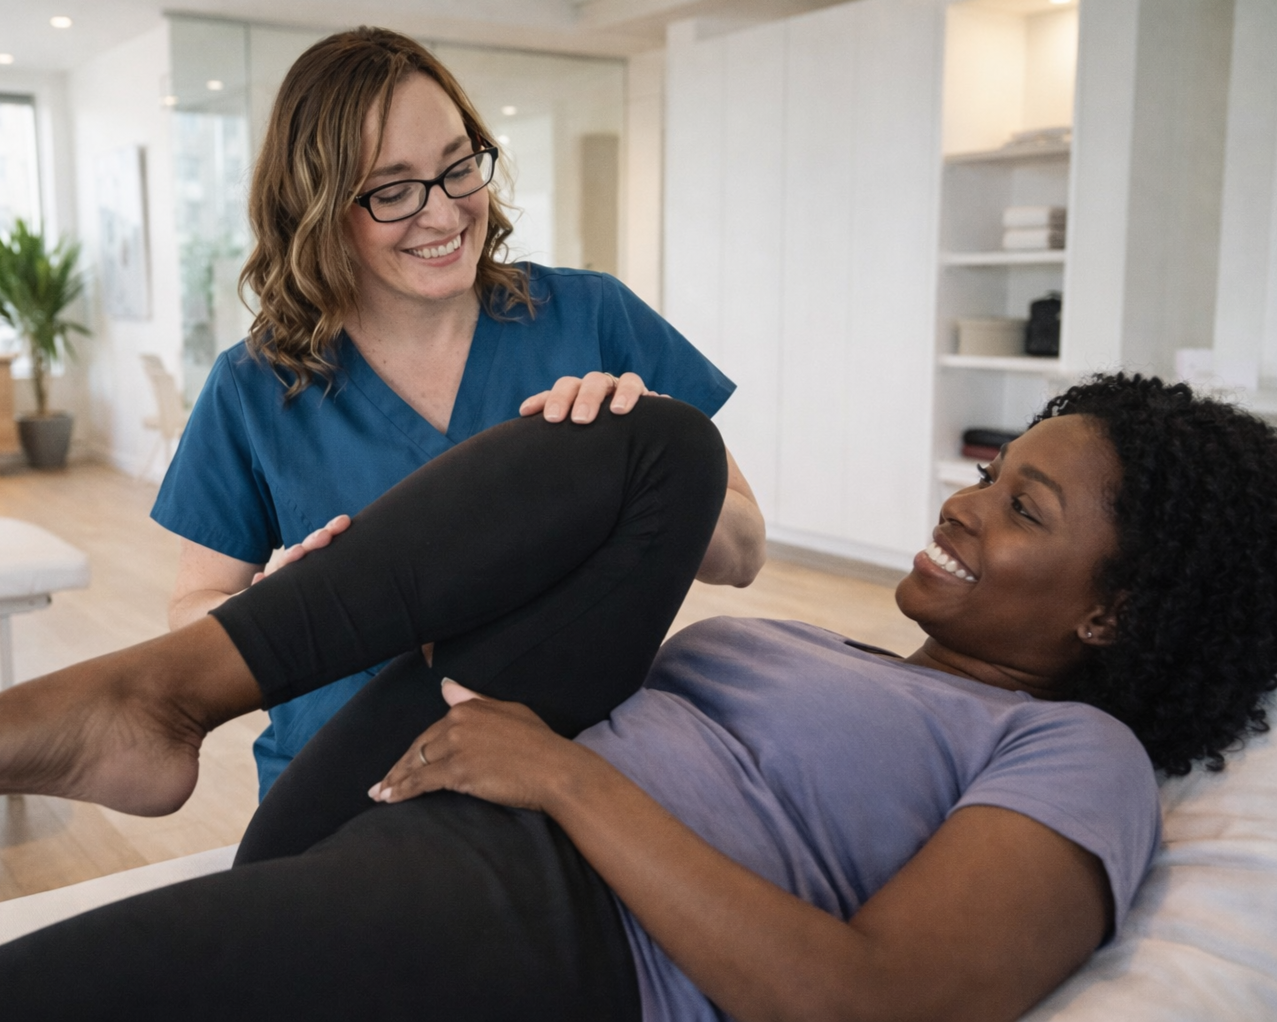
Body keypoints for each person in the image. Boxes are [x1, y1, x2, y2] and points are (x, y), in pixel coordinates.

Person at [1, 375, 1276, 1022]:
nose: (962, 501)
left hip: (563, 920)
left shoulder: (1077, 751)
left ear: (1111, 612)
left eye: (1021, 509)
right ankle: (164, 695)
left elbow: (873, 1003)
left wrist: (564, 776)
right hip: (416, 797)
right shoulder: (823, 646)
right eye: (993, 471)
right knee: (657, 440)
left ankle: (147, 706)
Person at [152, 26, 765, 798]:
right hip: (349, 783)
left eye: (456, 168)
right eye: (392, 189)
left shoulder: (591, 317)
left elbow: (743, 557)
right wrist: (271, 604)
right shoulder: (256, 386)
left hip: (577, 772)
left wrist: (648, 454)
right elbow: (190, 610)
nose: (443, 216)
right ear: (316, 206)